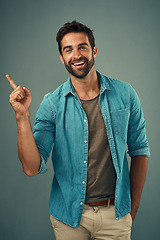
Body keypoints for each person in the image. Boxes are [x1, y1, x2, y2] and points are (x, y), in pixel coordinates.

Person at [7, 21, 150, 240]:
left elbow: (140, 150)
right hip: (69, 220)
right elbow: (31, 167)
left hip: (116, 215)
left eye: (82, 47)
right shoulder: (52, 104)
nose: (76, 55)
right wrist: (22, 116)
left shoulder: (126, 94)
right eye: (68, 49)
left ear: (94, 50)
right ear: (61, 57)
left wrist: (133, 208)